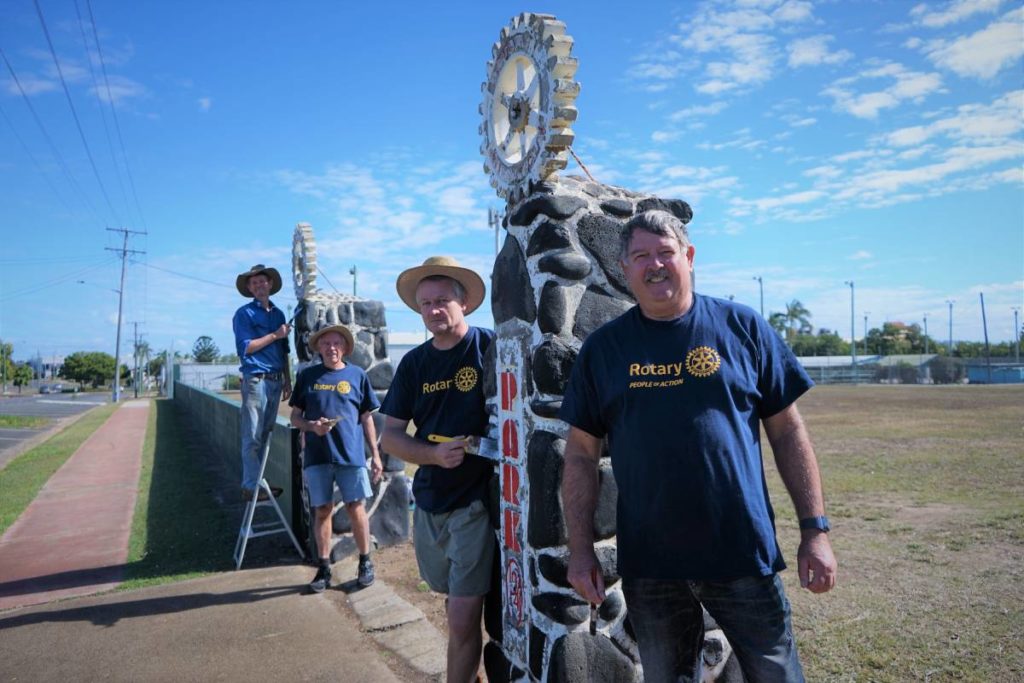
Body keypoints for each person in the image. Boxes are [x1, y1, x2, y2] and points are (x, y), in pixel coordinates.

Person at [559, 210, 837, 683]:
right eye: (640, 256)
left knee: (776, 674)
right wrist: (581, 549)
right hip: (652, 565)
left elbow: (788, 432)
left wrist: (815, 530)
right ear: (625, 268)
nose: (655, 265)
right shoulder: (604, 350)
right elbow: (582, 454)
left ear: (688, 257)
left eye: (665, 252)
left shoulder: (743, 328)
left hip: (741, 553)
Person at [379, 256, 495, 683]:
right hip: (429, 501)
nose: (433, 310)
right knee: (451, 602)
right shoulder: (414, 364)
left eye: (442, 300)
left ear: (464, 303)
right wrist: (433, 455)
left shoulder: (490, 347)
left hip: (475, 502)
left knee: (464, 615)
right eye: (426, 303)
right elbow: (389, 435)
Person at [290, 324, 382, 592]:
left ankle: (365, 562)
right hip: (317, 457)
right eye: (326, 343)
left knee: (356, 508)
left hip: (351, 456)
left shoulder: (357, 376)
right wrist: (310, 426)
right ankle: (323, 568)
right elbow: (296, 416)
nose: (331, 348)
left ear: (345, 347)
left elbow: (367, 418)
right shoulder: (308, 376)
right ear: (319, 347)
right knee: (322, 510)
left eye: (336, 343)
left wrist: (375, 455)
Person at [232, 264, 292, 502]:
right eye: (254, 282)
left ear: (270, 284)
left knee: (265, 434)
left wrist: (288, 379)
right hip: (256, 379)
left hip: (276, 381)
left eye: (262, 281)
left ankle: (259, 483)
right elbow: (246, 348)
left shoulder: (278, 314)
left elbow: (283, 350)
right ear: (249, 288)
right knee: (253, 435)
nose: (259, 285)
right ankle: (250, 486)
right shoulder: (243, 314)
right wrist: (276, 334)